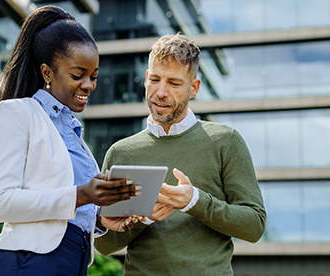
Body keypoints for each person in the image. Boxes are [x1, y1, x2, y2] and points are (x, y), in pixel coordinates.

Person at [0, 5, 140, 276]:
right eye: (77, 76)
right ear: (47, 72)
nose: (88, 85)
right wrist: (82, 195)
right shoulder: (18, 113)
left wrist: (100, 220)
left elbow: (66, 210)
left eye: (93, 77)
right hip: (28, 263)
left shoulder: (76, 136)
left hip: (72, 263)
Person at [94, 33, 267, 275]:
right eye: (155, 79)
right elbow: (102, 243)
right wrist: (143, 219)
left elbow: (254, 226)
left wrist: (194, 201)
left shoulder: (225, 141)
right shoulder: (120, 152)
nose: (161, 92)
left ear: (193, 88)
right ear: (145, 79)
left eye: (174, 84)